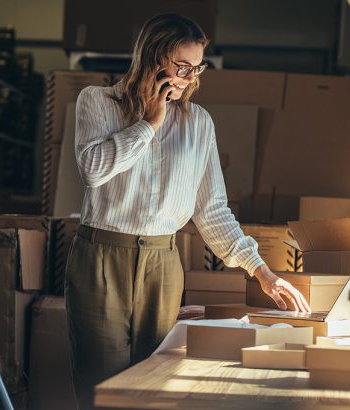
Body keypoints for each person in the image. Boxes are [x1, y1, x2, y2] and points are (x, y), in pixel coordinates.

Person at [63, 12, 311, 409]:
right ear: (152, 57)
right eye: (181, 67)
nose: (189, 78)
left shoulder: (198, 124)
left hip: (163, 262)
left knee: (155, 382)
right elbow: (93, 172)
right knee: (101, 385)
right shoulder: (98, 101)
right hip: (102, 257)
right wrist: (149, 123)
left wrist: (261, 271)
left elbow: (212, 210)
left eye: (196, 69)